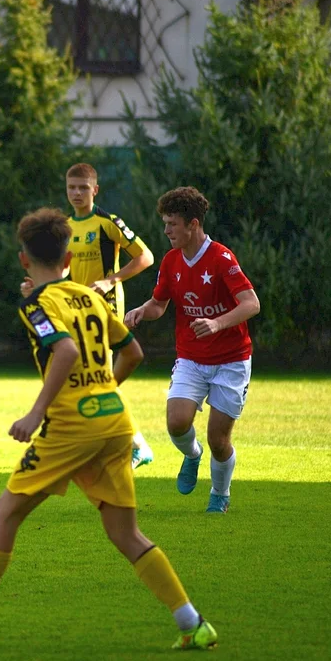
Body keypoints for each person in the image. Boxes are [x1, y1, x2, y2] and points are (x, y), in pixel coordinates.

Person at [0, 207, 217, 650]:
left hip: (72, 427)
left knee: (5, 512)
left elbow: (66, 353)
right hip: (115, 421)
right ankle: (193, 623)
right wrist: (100, 391)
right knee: (125, 533)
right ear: (70, 260)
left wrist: (36, 413)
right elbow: (131, 352)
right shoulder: (90, 296)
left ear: (24, 259)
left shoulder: (36, 304)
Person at [124, 187, 260, 514]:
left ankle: (219, 494)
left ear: (193, 224)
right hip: (191, 358)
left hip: (231, 361)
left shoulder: (222, 258)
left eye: (172, 224)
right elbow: (159, 304)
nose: (167, 230)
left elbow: (251, 304)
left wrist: (216, 323)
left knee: (219, 440)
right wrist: (142, 310)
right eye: (165, 223)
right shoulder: (171, 261)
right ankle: (192, 455)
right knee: (177, 423)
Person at [22, 163, 156, 470]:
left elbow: (145, 256)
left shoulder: (108, 222)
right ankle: (124, 443)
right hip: (73, 308)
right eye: (72, 187)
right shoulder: (66, 227)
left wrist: (112, 280)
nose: (77, 193)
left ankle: (131, 444)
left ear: (95, 190)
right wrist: (38, 283)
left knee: (98, 380)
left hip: (105, 309)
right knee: (91, 380)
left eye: (83, 187)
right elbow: (63, 269)